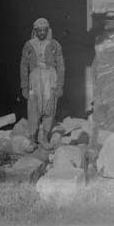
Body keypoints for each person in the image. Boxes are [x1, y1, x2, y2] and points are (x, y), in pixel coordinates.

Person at [20, 17, 65, 149]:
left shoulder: (55, 44)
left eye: (44, 30)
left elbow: (61, 66)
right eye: (39, 30)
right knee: (33, 108)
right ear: (35, 31)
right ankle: (33, 140)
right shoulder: (29, 45)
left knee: (49, 108)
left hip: (50, 79)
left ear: (48, 30)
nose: (41, 33)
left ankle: (45, 139)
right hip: (34, 80)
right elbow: (23, 66)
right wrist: (24, 86)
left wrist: (60, 85)